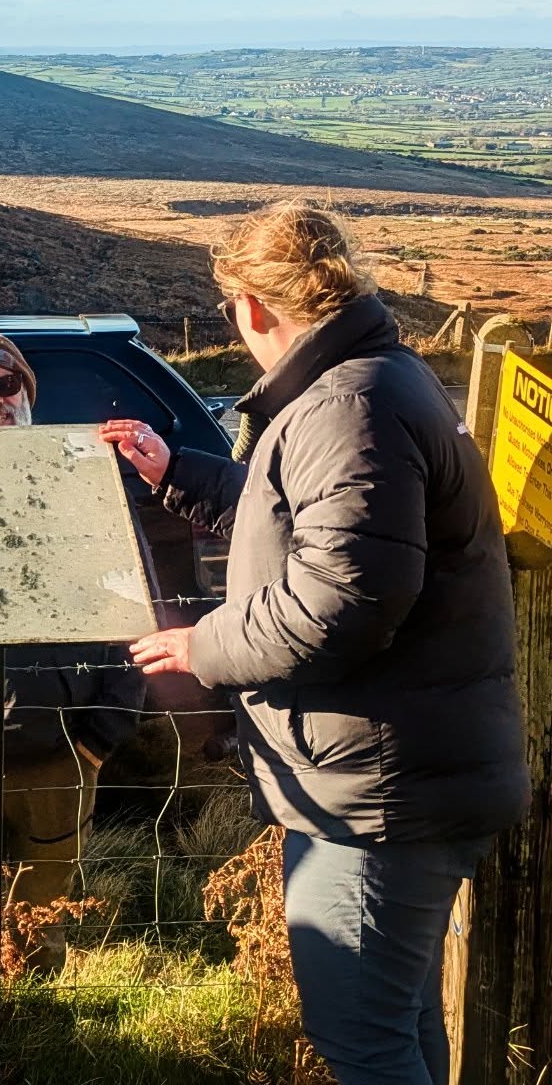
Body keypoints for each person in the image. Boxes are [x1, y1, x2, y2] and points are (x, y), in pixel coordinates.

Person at [99, 202, 529, 1085]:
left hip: (376, 797)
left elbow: (343, 598)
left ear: (253, 306)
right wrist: (176, 473)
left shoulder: (349, 405)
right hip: (398, 774)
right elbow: (306, 522)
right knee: (402, 1027)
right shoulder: (376, 382)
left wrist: (203, 645)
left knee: (364, 1042)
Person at [0, 329, 146, 966]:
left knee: (39, 931)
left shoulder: (87, 485)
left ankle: (37, 1017)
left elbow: (139, 613)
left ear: (28, 392)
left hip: (58, 750)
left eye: (6, 384)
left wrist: (96, 740)